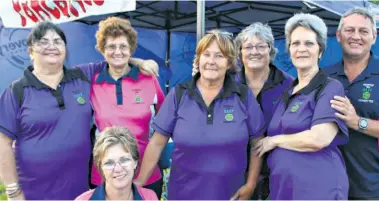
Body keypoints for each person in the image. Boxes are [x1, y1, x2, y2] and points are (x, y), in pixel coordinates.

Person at [0, 21, 157, 200]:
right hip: (34, 193)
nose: (52, 46)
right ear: (30, 51)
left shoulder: (82, 76)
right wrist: (13, 190)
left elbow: (114, 58)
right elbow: (2, 143)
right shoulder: (16, 91)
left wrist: (141, 61)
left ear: (65, 49)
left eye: (57, 41)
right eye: (43, 42)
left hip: (80, 191)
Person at [137, 30, 266, 200]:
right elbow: (156, 144)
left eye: (219, 56)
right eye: (206, 55)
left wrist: (251, 184)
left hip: (231, 195)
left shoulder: (243, 96)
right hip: (183, 195)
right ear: (198, 59)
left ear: (229, 63)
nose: (211, 61)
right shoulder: (179, 95)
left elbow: (258, 143)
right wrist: (139, 183)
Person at [192, 23, 294, 199]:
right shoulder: (225, 83)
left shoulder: (289, 85)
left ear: (270, 50)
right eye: (248, 47)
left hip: (277, 172)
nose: (254, 51)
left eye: (261, 46)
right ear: (239, 53)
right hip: (230, 171)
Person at [254, 13, 349, 200]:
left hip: (318, 188)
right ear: (289, 50)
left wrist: (274, 141)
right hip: (284, 189)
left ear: (320, 50)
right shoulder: (288, 90)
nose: (301, 49)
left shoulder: (329, 87)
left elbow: (319, 138)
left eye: (309, 43)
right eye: (295, 43)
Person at [325, 7, 379, 200]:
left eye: (363, 31)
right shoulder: (325, 77)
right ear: (339, 35)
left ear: (374, 37)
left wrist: (357, 122)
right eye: (349, 30)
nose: (356, 36)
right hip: (334, 189)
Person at [89, 17, 164, 198]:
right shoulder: (92, 82)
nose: (117, 52)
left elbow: (165, 124)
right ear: (102, 50)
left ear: (131, 48)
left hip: (147, 174)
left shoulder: (148, 79)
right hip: (105, 176)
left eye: (123, 46)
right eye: (111, 47)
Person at [75, 126, 158, 200]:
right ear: (100, 167)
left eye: (124, 160)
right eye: (109, 163)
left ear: (135, 162)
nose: (118, 169)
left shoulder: (149, 197)